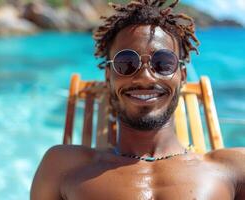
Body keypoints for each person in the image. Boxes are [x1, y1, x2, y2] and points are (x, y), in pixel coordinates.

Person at [31, 0, 245, 199]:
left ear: (182, 76)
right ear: (109, 77)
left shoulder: (232, 168)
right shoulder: (63, 166)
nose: (144, 77)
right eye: (126, 63)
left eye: (163, 63)